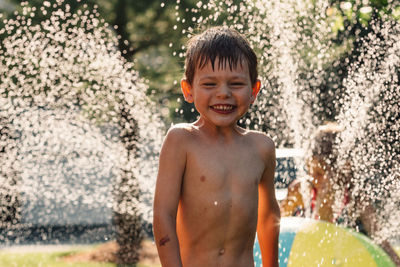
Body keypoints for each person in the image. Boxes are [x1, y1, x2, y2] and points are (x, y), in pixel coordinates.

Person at [153, 26, 280, 267]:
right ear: (189, 90)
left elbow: (268, 216)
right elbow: (163, 215)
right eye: (209, 84)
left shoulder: (262, 147)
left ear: (254, 91)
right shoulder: (181, 141)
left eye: (235, 84)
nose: (223, 94)